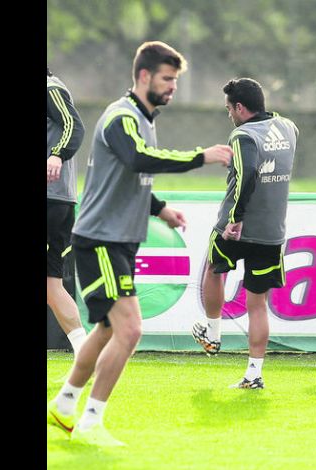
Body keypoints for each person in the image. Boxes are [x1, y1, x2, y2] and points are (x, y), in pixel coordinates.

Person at [46, 41, 233, 446]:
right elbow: (140, 159)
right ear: (145, 76)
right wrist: (201, 156)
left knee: (107, 330)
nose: (173, 88)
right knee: (129, 331)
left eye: (176, 80)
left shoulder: (143, 119)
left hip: (118, 239)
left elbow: (129, 176)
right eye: (168, 79)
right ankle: (91, 422)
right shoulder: (121, 117)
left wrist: (160, 208)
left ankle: (64, 404)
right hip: (101, 239)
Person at [191, 78, 298, 390]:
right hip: (271, 231)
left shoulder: (242, 135)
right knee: (257, 304)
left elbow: (248, 173)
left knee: (213, 269)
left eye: (229, 110)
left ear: (240, 108)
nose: (229, 116)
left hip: (235, 226)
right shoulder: (289, 128)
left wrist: (235, 218)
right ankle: (254, 373)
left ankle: (212, 332)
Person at [47, 67, 88, 377]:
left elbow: (74, 125)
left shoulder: (51, 88)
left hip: (51, 197)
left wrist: (57, 154)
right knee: (52, 285)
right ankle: (85, 354)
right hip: (58, 199)